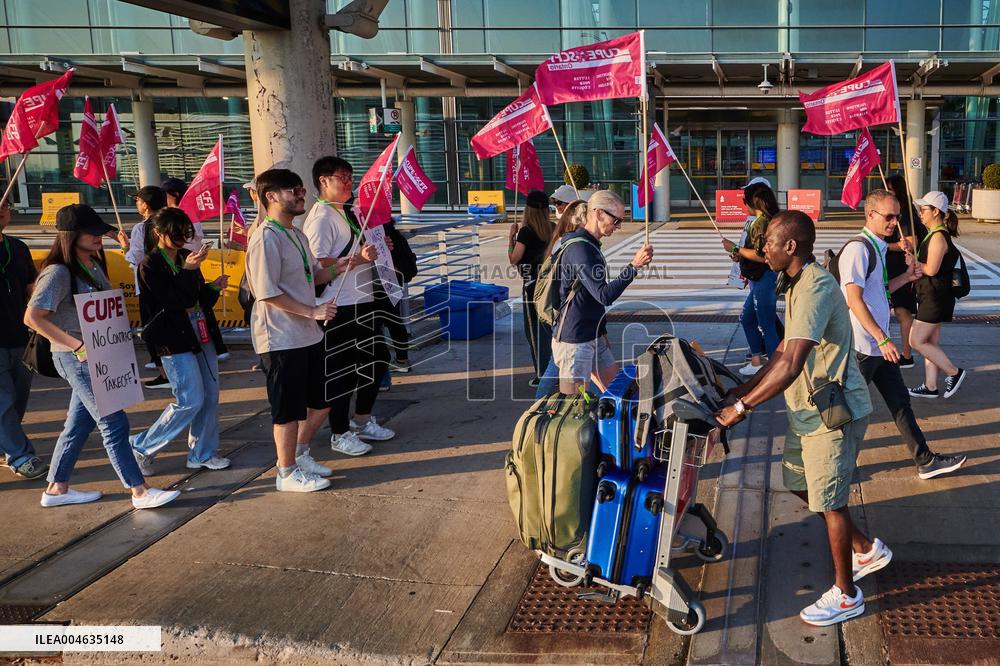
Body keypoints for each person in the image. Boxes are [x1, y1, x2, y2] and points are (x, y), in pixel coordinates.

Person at [717, 209, 888, 627]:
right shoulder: (793, 283)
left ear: (790, 246)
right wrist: (741, 387)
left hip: (833, 413)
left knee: (831, 502)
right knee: (801, 484)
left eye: (769, 244)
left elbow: (792, 362)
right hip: (806, 410)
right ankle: (866, 549)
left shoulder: (814, 288)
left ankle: (847, 595)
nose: (762, 251)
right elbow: (781, 354)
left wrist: (741, 409)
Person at [23, 204, 179, 509]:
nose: (100, 236)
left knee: (79, 425)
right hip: (78, 359)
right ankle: (139, 491)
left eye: (100, 230)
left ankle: (56, 488)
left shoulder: (91, 265)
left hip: (100, 355)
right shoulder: (58, 272)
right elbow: (33, 318)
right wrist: (77, 346)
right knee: (113, 423)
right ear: (71, 235)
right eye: (92, 231)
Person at [840, 190, 966, 479]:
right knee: (848, 412)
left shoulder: (879, 247)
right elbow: (854, 300)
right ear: (870, 215)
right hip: (863, 346)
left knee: (900, 405)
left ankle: (926, 461)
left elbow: (879, 292)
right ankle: (835, 464)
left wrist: (908, 277)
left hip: (880, 347)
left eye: (897, 216)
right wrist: (883, 339)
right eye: (888, 216)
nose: (894, 222)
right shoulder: (858, 249)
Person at [245, 168, 348, 492]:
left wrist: (345, 263)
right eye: (294, 190)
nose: (301, 194)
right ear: (271, 196)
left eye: (302, 189)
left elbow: (312, 276)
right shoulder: (266, 237)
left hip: (307, 334)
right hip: (280, 338)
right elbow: (266, 291)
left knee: (323, 400)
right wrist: (312, 310)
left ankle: (300, 453)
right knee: (287, 410)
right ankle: (286, 473)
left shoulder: (297, 234)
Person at [129, 207, 232, 475]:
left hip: (201, 331)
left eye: (184, 233)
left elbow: (197, 299)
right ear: (158, 233)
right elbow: (176, 302)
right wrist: (188, 271)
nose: (181, 239)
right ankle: (142, 446)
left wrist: (212, 287)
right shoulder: (149, 265)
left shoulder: (187, 257)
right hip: (173, 339)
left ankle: (202, 452)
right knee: (189, 400)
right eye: (175, 233)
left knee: (209, 397)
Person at [303, 156, 394, 457]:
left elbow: (357, 249)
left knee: (375, 360)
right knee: (342, 372)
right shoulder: (321, 218)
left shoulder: (347, 212)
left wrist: (378, 248)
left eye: (350, 177)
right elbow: (317, 263)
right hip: (339, 305)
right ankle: (339, 432)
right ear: (323, 181)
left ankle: (361, 420)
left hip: (361, 301)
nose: (348, 183)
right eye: (342, 177)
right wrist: (360, 258)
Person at [551, 190, 653, 395]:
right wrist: (634, 266)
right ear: (598, 214)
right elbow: (604, 295)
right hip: (574, 340)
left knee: (619, 394)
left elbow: (589, 296)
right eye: (616, 220)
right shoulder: (580, 249)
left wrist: (602, 330)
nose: (618, 227)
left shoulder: (588, 244)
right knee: (575, 407)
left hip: (593, 334)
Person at [0, 197, 47, 480]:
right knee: (3, 398)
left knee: (18, 397)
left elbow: (31, 288)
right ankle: (20, 455)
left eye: (5, 206)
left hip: (20, 335)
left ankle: (8, 440)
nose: (2, 212)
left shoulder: (17, 247)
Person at [908, 191, 967, 399]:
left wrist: (914, 263)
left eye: (924, 209)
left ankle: (954, 372)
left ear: (936, 212)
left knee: (915, 341)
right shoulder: (934, 235)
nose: (920, 214)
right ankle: (930, 386)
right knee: (929, 343)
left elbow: (931, 269)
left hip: (934, 298)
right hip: (933, 296)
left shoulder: (938, 237)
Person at [722, 181, 780, 376]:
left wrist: (736, 249)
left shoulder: (762, 223)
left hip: (764, 278)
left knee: (766, 324)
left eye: (744, 200)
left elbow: (762, 255)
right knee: (749, 318)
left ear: (753, 202)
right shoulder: (761, 220)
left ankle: (773, 370)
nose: (742, 204)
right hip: (761, 278)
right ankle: (757, 360)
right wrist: (740, 254)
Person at [534, 199, 589, 399]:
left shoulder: (563, 240)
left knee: (557, 364)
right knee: (558, 367)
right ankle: (539, 408)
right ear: (579, 221)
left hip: (565, 313)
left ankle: (539, 406)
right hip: (566, 315)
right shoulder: (572, 245)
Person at [125, 186, 171, 389]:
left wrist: (124, 246)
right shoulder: (171, 221)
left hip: (148, 285)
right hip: (172, 282)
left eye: (138, 200)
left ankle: (164, 374)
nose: (136, 204)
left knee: (152, 329)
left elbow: (135, 257)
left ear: (145, 204)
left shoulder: (141, 228)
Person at [508, 190, 553, 387]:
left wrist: (511, 238)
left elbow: (514, 259)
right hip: (551, 285)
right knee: (549, 329)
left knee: (534, 332)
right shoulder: (553, 228)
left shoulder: (526, 232)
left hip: (531, 288)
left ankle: (542, 374)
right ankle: (553, 369)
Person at [884, 174, 927, 368]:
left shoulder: (903, 212)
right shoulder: (900, 211)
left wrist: (885, 246)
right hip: (895, 268)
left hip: (902, 268)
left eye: (889, 189)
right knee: (900, 311)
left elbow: (910, 241)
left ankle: (907, 356)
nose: (886, 192)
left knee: (902, 312)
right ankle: (905, 353)